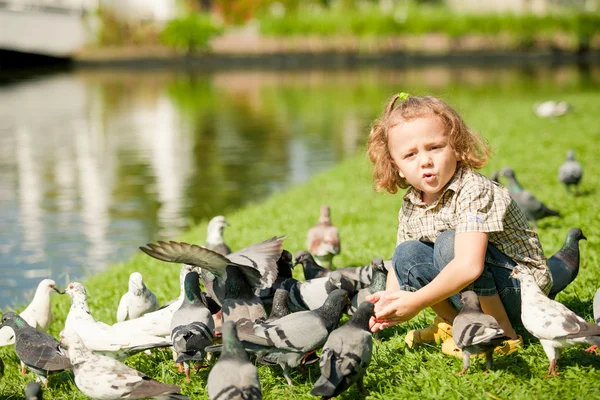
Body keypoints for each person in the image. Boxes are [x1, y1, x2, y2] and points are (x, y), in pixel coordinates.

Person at [365, 93, 552, 356]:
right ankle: (457, 325)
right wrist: (388, 303)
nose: (425, 161)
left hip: (519, 292)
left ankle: (501, 333)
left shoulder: (473, 189)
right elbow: (400, 267)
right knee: (406, 253)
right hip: (478, 288)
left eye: (435, 147)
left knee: (448, 243)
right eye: (410, 155)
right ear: (396, 167)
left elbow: (469, 265)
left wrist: (416, 302)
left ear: (456, 147)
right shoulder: (411, 202)